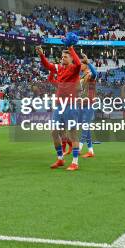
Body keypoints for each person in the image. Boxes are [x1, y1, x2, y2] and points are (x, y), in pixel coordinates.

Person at [37, 42, 82, 171]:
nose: (63, 58)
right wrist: (41, 55)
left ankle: (75, 162)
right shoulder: (58, 68)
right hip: (59, 106)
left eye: (65, 57)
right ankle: (60, 159)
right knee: (54, 132)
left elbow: (79, 64)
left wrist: (70, 48)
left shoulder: (74, 69)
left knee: (72, 133)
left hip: (71, 105)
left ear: (71, 58)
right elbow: (47, 65)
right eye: (62, 57)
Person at [78, 52, 98, 158]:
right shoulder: (82, 76)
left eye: (82, 64)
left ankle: (79, 147)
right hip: (82, 103)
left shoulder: (90, 74)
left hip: (89, 102)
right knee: (86, 127)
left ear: (85, 65)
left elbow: (96, 74)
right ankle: (91, 151)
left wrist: (89, 62)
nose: (80, 65)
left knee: (85, 125)